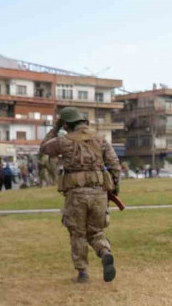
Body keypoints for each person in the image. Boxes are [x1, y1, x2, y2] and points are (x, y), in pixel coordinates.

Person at [39, 107, 121, 283]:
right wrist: (114, 187)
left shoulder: (64, 141)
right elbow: (114, 164)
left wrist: (55, 127)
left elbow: (44, 148)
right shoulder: (100, 140)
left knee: (78, 233)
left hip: (76, 194)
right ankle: (105, 252)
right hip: (99, 192)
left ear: (67, 124)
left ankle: (83, 272)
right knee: (95, 231)